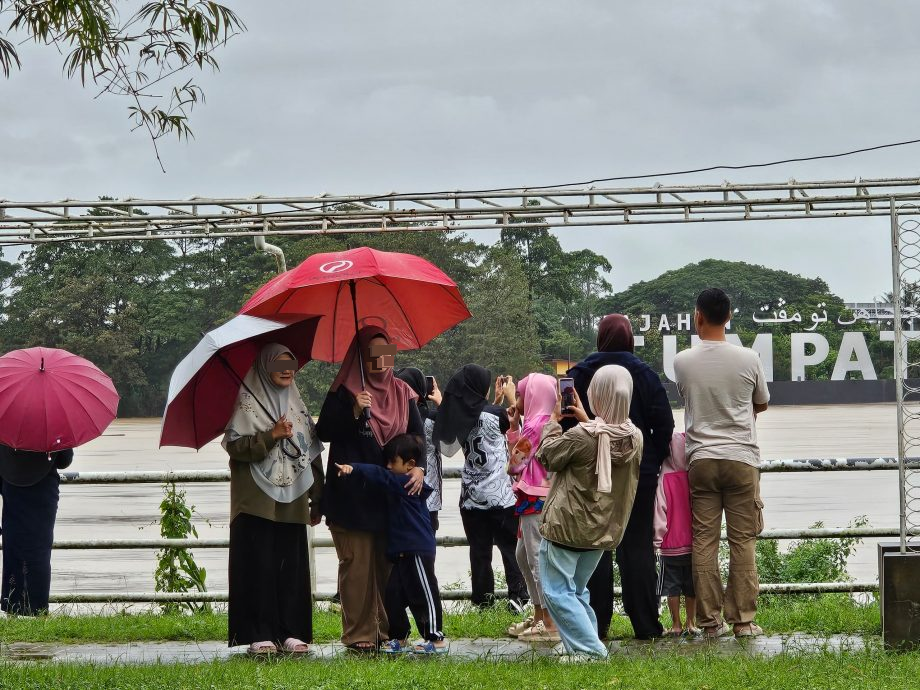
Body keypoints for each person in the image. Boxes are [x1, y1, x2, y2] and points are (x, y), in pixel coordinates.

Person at [565, 313, 674, 640]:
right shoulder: (645, 375)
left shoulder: (578, 374)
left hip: (591, 474)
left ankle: (596, 626)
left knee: (595, 547)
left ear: (600, 338)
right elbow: (665, 425)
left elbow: (566, 425)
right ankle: (646, 625)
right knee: (638, 547)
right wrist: (647, 456)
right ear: (629, 338)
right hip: (638, 474)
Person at [316, 326, 425, 653]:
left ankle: (384, 631)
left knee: (385, 569)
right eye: (372, 355)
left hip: (389, 499)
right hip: (350, 499)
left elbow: (418, 441)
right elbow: (322, 432)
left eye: (385, 354)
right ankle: (358, 635)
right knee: (357, 568)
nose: (379, 362)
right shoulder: (344, 391)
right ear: (360, 356)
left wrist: (418, 467)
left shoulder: (404, 393)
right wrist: (352, 410)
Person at [673, 288, 769, 639]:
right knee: (743, 540)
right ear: (729, 316)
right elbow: (761, 404)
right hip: (742, 458)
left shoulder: (682, 361)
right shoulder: (749, 358)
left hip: (701, 460)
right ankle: (743, 621)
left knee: (704, 541)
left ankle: (710, 622)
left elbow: (689, 398)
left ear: (698, 316)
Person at [222, 343, 324, 656]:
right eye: (278, 363)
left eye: (290, 362)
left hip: (293, 496)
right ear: (265, 367)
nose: (286, 369)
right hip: (255, 499)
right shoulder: (246, 402)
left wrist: (318, 498)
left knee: (291, 565)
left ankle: (291, 632)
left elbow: (312, 449)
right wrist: (271, 436)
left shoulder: (298, 403)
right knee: (258, 564)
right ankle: (259, 633)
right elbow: (235, 448)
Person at [537, 364, 643, 661]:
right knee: (577, 590)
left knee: (557, 592)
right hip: (602, 530)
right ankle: (579, 642)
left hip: (567, 527)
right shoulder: (634, 437)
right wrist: (588, 420)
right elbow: (603, 439)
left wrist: (553, 420)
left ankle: (590, 650)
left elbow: (548, 455)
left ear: (596, 396)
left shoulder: (583, 436)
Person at [335, 434, 448, 655]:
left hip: (416, 549)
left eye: (392, 462)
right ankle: (399, 636)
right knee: (392, 595)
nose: (387, 466)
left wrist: (354, 468)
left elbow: (380, 476)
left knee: (424, 593)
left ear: (410, 465)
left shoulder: (406, 483)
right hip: (402, 552)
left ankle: (435, 637)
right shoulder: (401, 482)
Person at [434, 365, 528, 609]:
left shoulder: (459, 416)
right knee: (509, 547)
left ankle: (483, 600)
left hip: (471, 497)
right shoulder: (496, 414)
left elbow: (479, 416)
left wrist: (494, 401)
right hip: (500, 496)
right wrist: (509, 396)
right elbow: (523, 432)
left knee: (480, 552)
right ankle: (517, 595)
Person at [505, 373, 561, 643]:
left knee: (535, 558)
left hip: (534, 499)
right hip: (538, 498)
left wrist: (516, 430)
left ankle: (548, 621)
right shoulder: (547, 423)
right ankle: (540, 614)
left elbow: (515, 466)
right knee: (523, 555)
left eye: (521, 394)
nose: (518, 400)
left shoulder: (535, 426)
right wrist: (515, 426)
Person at [0, 444, 73, 615]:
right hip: (43, 492)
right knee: (39, 552)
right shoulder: (54, 424)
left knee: (13, 550)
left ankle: (13, 607)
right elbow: (64, 461)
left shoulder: (6, 426)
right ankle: (38, 609)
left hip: (13, 490)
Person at [653, 432, 699, 637]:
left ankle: (676, 624)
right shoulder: (693, 476)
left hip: (670, 545)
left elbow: (659, 511)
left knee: (672, 588)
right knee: (691, 586)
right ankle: (692, 622)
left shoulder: (663, 477)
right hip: (693, 543)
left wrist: (657, 540)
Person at [395, 367, 444, 528]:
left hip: (399, 495)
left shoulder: (394, 417)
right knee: (427, 547)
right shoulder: (433, 419)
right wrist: (441, 404)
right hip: (429, 497)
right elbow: (451, 441)